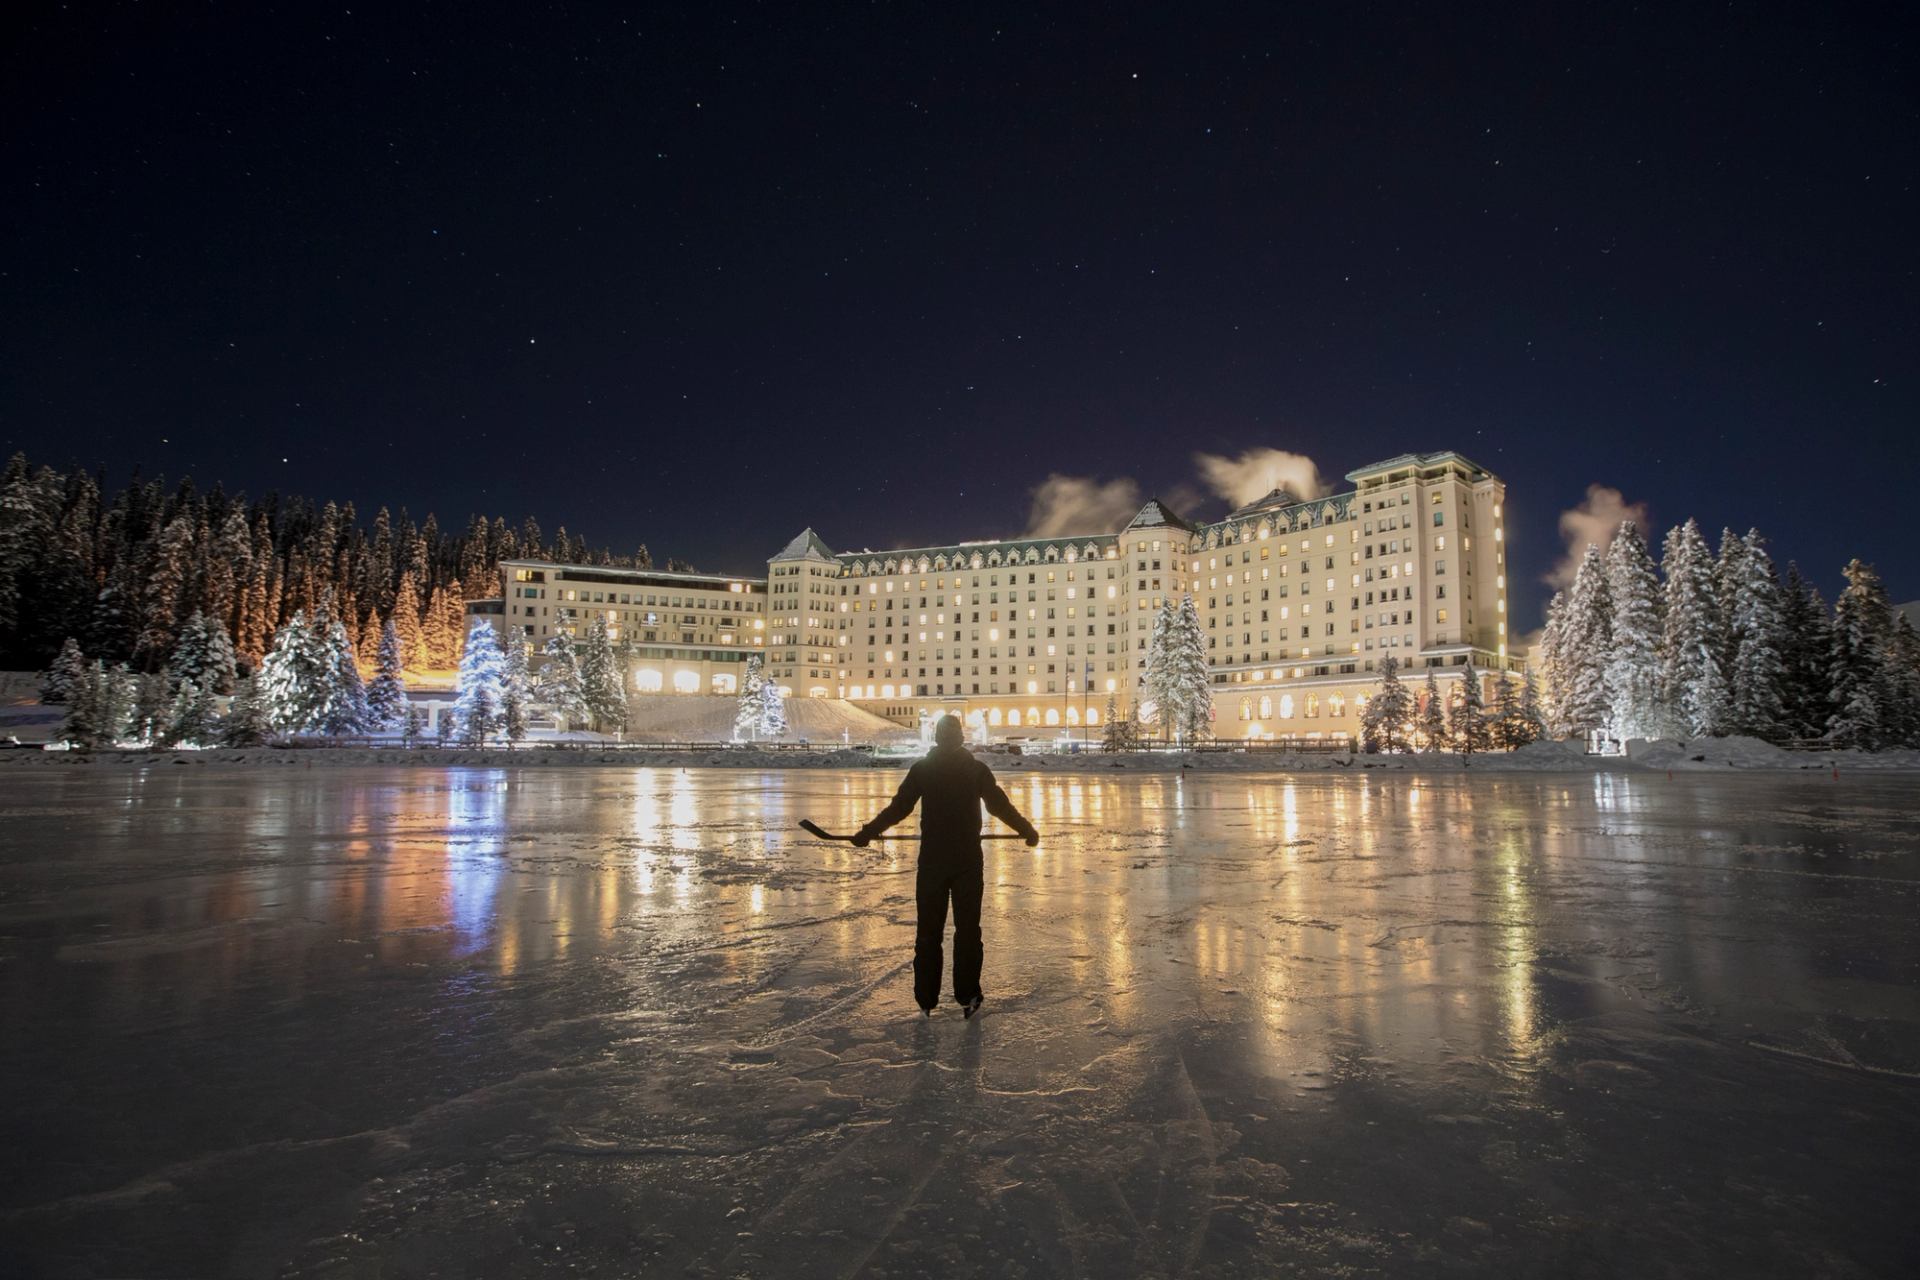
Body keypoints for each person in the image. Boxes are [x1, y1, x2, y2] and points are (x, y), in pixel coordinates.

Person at [852, 714, 1040, 1017]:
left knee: (929, 933)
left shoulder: (924, 769)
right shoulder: (974, 769)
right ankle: (967, 995)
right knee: (967, 931)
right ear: (960, 738)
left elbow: (898, 809)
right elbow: (999, 806)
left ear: (937, 738)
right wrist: (1025, 829)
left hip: (933, 863)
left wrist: (869, 832)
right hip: (966, 861)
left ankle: (926, 999)